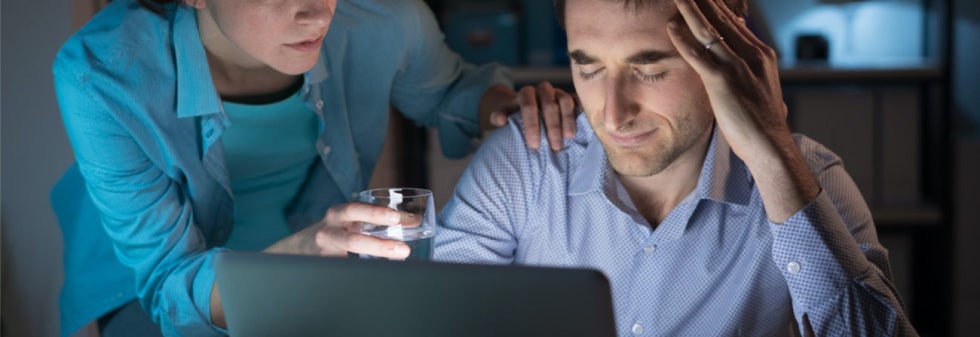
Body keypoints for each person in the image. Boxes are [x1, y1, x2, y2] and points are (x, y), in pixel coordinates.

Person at [51, 0, 577, 335]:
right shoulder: (102, 73)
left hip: (316, 273)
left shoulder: (384, 18)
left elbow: (449, 90)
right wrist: (292, 259)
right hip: (166, 286)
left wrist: (508, 107)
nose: (316, 14)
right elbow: (170, 284)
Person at [434, 0, 918, 335]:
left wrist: (773, 155)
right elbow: (438, 319)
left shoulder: (810, 178)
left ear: (729, 55)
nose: (613, 113)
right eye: (590, 68)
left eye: (651, 69)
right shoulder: (524, 162)